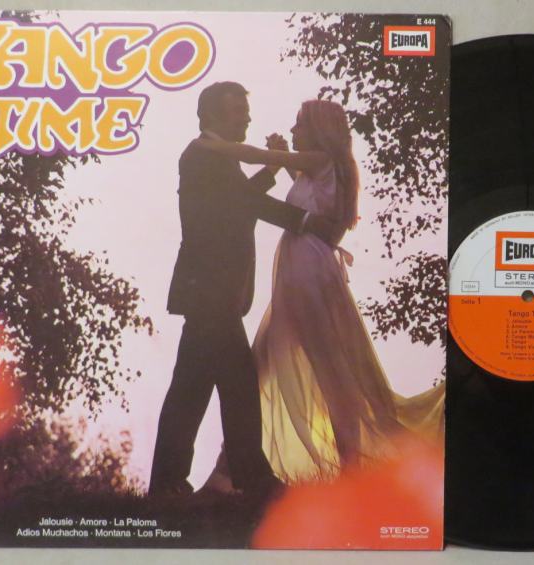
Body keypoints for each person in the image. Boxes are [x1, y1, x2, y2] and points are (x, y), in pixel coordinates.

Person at [194, 99, 444, 486]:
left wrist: (215, 145)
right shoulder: (320, 168)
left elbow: (257, 155)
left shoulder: (323, 159)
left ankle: (348, 469)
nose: (294, 131)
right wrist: (281, 158)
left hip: (307, 272)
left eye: (300, 125)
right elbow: (299, 187)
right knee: (263, 366)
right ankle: (230, 470)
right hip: (301, 271)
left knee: (323, 371)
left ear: (318, 130)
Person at [148, 83, 343, 501]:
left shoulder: (215, 157)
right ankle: (252, 479)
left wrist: (270, 173)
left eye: (245, 110)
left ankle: (169, 482)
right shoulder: (203, 154)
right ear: (212, 116)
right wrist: (306, 221)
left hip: (212, 294)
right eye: (237, 111)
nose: (247, 118)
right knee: (235, 382)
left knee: (191, 387)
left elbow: (236, 202)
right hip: (211, 293)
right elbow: (242, 205)